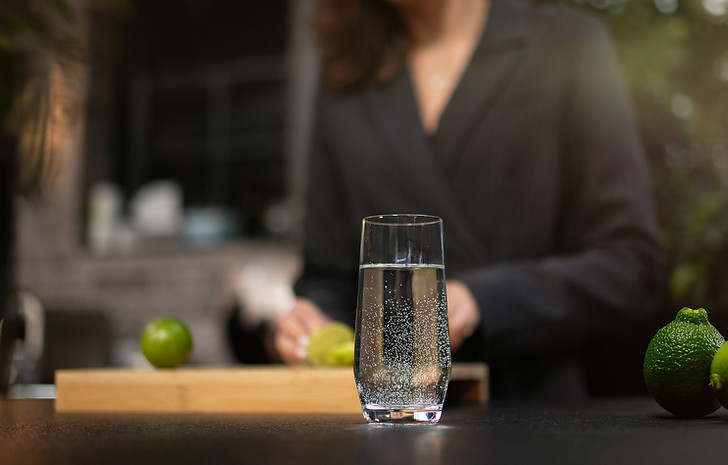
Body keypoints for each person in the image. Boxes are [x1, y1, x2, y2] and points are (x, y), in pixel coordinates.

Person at [272, 0, 668, 399]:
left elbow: (631, 264)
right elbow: (329, 275)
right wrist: (314, 323)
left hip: (540, 417)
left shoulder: (568, 43)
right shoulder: (346, 71)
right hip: (389, 413)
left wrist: (480, 300)